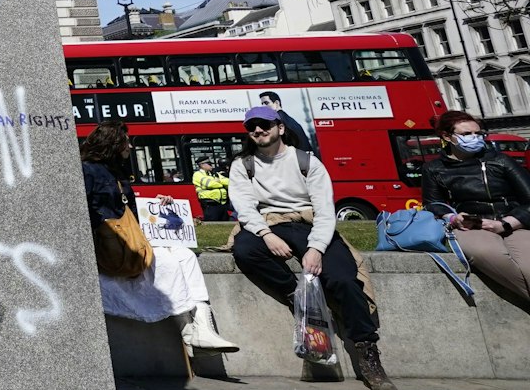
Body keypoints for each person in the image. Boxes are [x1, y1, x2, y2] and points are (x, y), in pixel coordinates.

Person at [229, 104, 395, 390]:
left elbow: (325, 210)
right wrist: (266, 235)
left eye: (264, 124)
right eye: (251, 127)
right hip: (269, 223)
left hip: (309, 223)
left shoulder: (307, 161)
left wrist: (316, 248)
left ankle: (367, 352)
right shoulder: (243, 165)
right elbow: (244, 208)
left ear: (280, 128)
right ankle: (297, 297)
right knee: (244, 250)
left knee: (344, 279)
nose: (258, 130)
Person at [79, 123, 237, 356]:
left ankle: (201, 327)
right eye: (126, 141)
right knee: (171, 264)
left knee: (186, 256)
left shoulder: (117, 172)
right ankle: (190, 333)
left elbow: (130, 209)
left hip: (130, 239)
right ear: (113, 143)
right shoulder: (87, 170)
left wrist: (158, 205)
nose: (131, 146)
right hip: (111, 246)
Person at [421, 110, 530, 305]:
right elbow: (432, 205)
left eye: (478, 133)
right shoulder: (434, 169)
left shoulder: (500, 160)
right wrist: (453, 218)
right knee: (486, 254)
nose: (475, 138)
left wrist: (505, 224)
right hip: (471, 226)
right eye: (466, 134)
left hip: (513, 221)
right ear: (447, 136)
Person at [193, 157, 233, 222]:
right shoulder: (197, 174)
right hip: (210, 204)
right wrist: (221, 182)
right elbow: (210, 184)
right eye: (209, 164)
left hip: (221, 204)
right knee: (213, 223)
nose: (212, 165)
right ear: (202, 165)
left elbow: (229, 182)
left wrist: (218, 181)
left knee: (225, 224)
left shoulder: (214, 174)